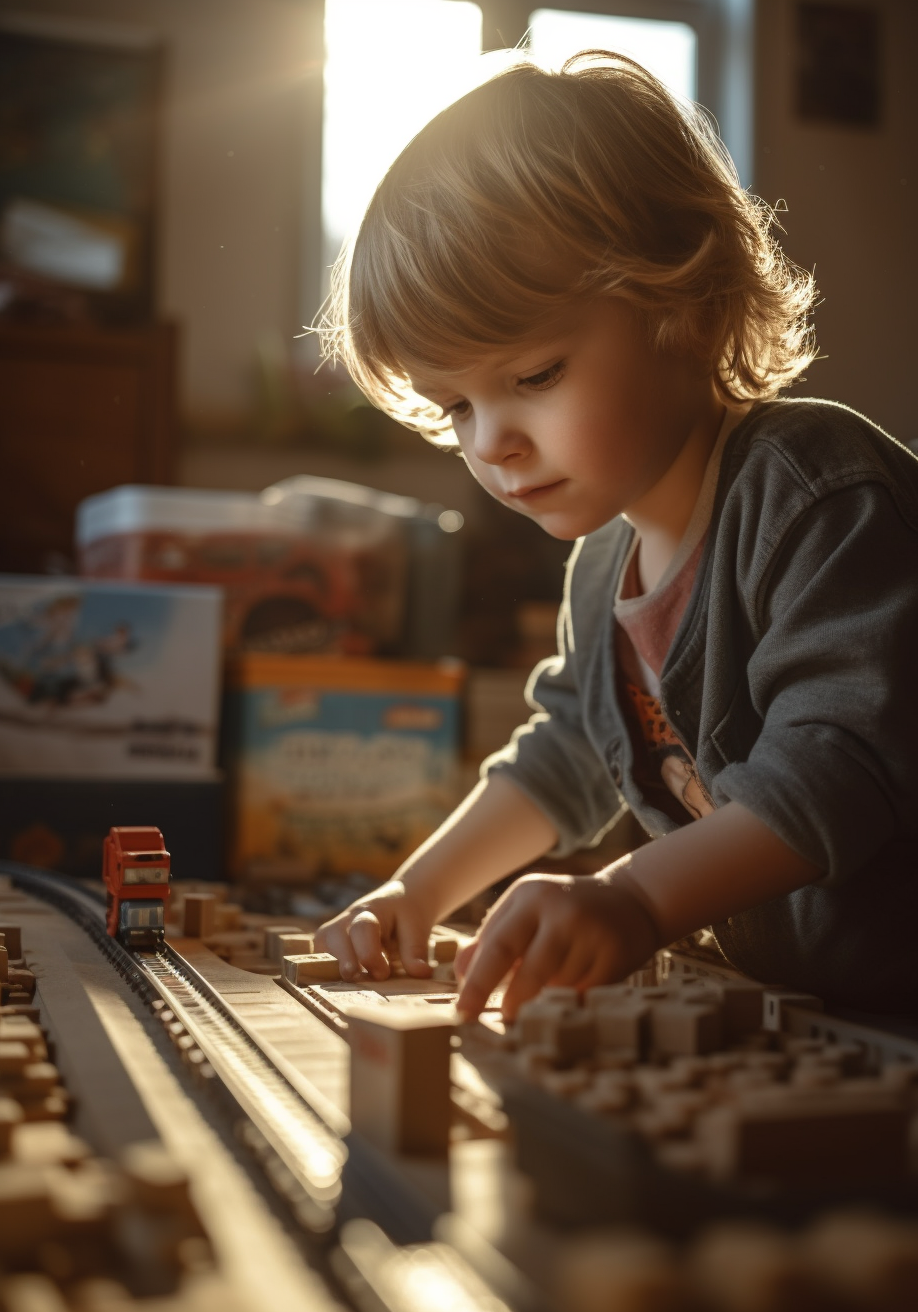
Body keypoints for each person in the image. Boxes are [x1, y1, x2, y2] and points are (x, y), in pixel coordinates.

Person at [313, 51, 918, 1021]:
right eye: (453, 405)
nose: (490, 442)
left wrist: (634, 895)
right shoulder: (602, 566)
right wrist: (416, 892)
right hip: (824, 1007)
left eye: (535, 375)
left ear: (683, 302)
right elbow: (569, 753)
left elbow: (838, 762)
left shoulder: (809, 487)